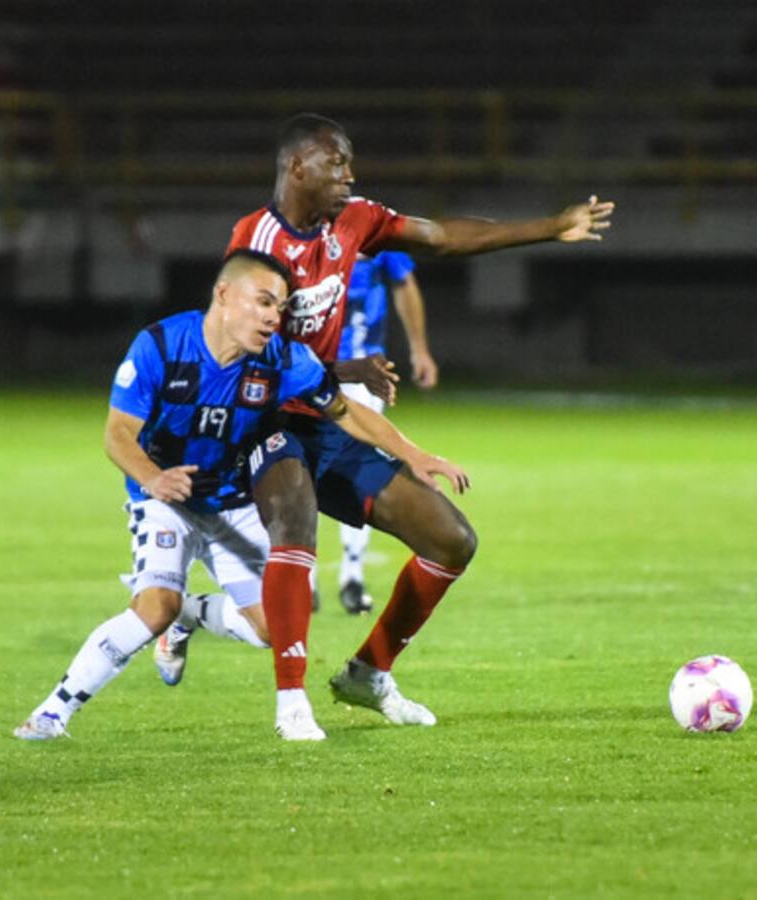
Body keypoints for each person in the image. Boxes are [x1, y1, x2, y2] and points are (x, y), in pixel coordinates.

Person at [197, 113, 614, 735]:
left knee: (452, 540)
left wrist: (551, 228)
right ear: (297, 167)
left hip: (329, 417)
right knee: (296, 518)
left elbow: (440, 236)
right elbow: (238, 351)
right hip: (260, 418)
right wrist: (342, 365)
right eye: (336, 163)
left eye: (349, 164)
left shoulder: (355, 220)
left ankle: (368, 672)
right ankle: (291, 703)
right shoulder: (253, 241)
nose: (349, 175)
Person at [12, 249, 468, 742]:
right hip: (165, 500)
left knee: (276, 628)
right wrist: (154, 478)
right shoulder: (161, 345)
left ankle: (190, 613)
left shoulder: (283, 360)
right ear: (224, 295)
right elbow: (118, 434)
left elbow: (347, 412)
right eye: (264, 301)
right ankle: (51, 714)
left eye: (281, 306)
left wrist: (414, 454)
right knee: (154, 607)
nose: (275, 315)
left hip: (231, 501)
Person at [333, 251, 437, 614]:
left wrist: (419, 349)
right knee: (298, 465)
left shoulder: (377, 231)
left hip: (365, 373)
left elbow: (405, 283)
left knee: (358, 473)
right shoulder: (305, 232)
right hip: (313, 369)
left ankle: (352, 575)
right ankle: (305, 576)